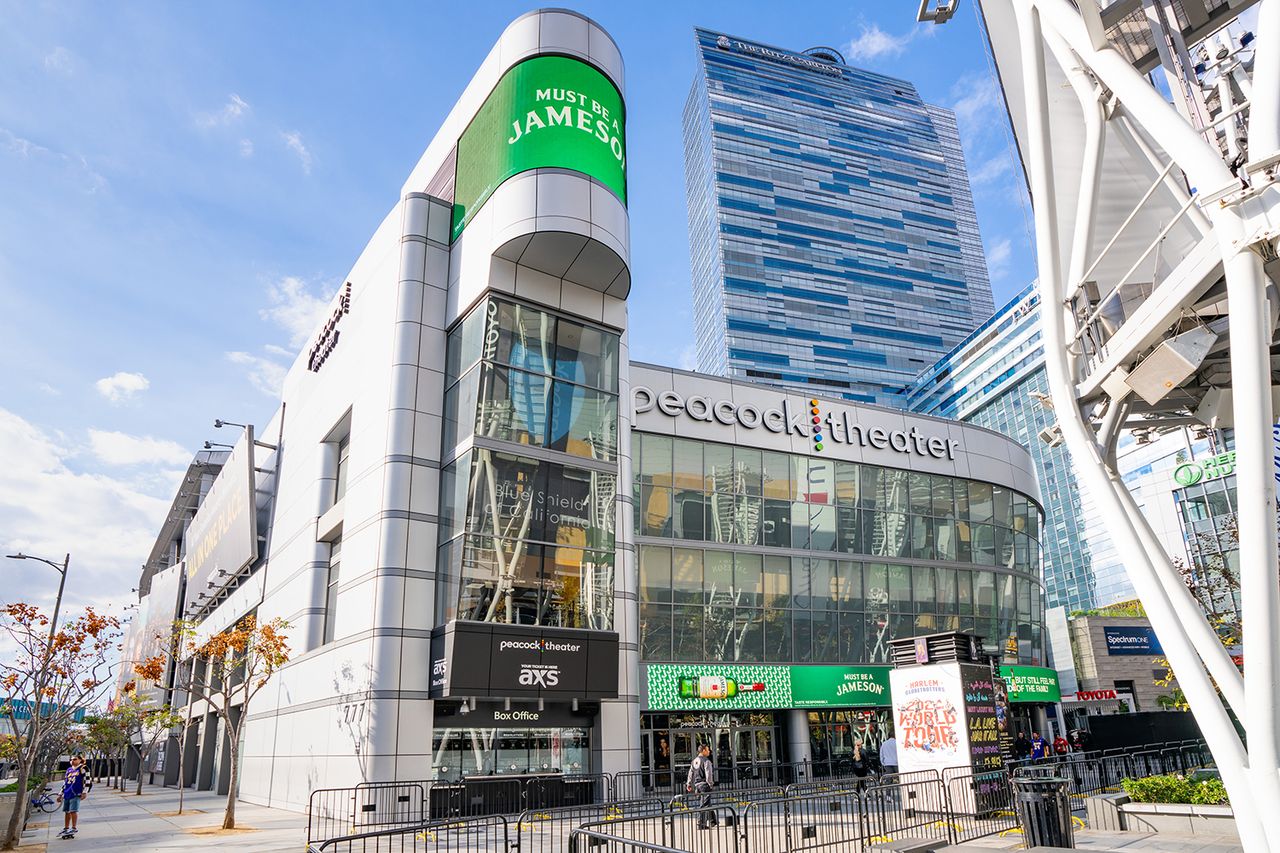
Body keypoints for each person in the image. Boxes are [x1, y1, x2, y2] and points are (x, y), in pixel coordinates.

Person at [685, 743, 716, 829]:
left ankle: (713, 821)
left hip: (697, 785)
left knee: (706, 802)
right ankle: (700, 824)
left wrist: (689, 783)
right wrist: (710, 784)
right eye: (707, 749)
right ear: (703, 751)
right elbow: (708, 774)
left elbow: (690, 773)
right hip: (705, 785)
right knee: (704, 804)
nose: (709, 751)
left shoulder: (694, 761)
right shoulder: (706, 761)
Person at [57, 755, 88, 839]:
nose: (72, 761)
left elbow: (87, 780)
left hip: (76, 793)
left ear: (80, 760)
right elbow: (65, 782)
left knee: (73, 811)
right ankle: (66, 828)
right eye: (71, 760)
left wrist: (84, 792)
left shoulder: (83, 768)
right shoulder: (69, 770)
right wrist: (60, 794)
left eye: (75, 759)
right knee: (67, 811)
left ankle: (74, 827)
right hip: (67, 792)